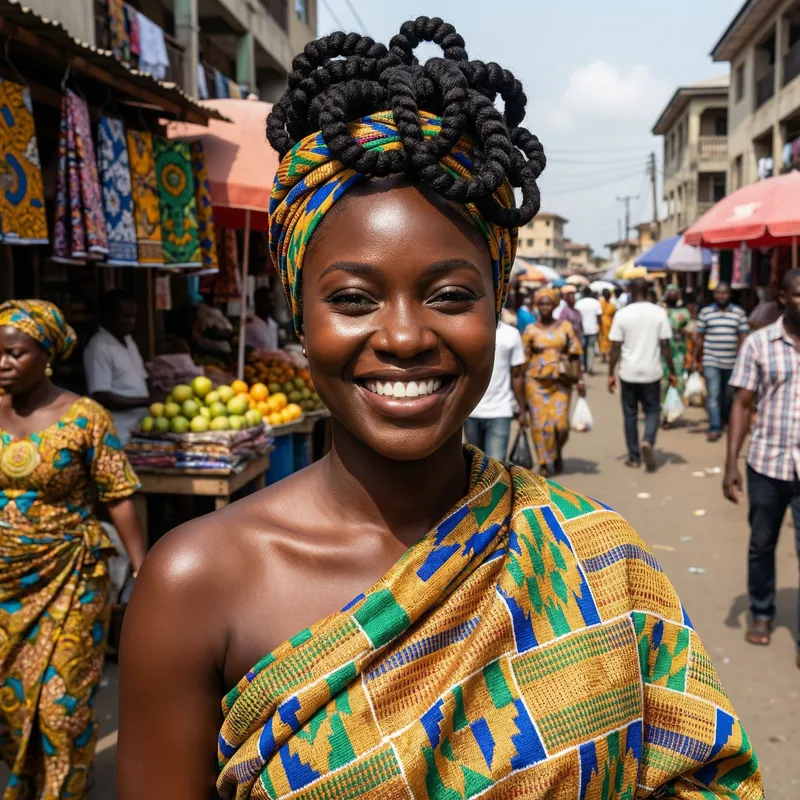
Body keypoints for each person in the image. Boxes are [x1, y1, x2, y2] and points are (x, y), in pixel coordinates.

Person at [118, 20, 761, 798]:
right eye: (352, 298)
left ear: (497, 308)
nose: (402, 336)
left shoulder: (595, 558)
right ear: (298, 314)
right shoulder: (193, 584)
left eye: (451, 295)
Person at [0, 300, 146, 797]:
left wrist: (142, 568)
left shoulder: (85, 418)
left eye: (14, 354)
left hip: (72, 578)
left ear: (47, 356)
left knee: (62, 709)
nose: (2, 363)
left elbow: (120, 494)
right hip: (4, 589)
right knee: (14, 712)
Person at [725, 268, 800, 658]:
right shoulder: (758, 344)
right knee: (762, 543)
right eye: (799, 294)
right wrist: (730, 463)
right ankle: (761, 611)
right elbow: (742, 403)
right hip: (767, 463)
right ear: (782, 297)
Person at [608, 278, 677, 471]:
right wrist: (672, 371)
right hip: (652, 372)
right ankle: (647, 439)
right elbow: (665, 345)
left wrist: (610, 373)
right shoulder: (659, 313)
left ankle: (634, 456)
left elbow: (615, 346)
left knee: (630, 414)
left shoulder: (622, 314)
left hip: (628, 372)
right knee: (652, 410)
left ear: (629, 290)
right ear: (649, 290)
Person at [522, 288, 584, 475]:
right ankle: (543, 461)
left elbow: (575, 355)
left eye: (548, 303)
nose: (545, 307)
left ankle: (556, 452)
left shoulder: (565, 327)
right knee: (541, 425)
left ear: (555, 305)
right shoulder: (530, 330)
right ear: (537, 306)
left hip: (561, 382)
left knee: (561, 425)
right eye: (541, 303)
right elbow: (522, 360)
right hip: (536, 383)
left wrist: (579, 379)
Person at [84, 290, 151, 444]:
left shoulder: (129, 341)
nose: (131, 322)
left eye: (133, 317)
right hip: (118, 433)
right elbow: (101, 395)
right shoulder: (99, 347)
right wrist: (146, 401)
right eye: (125, 317)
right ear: (108, 316)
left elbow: (144, 378)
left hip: (139, 428)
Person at [693, 283, 749, 442]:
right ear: (714, 295)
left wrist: (744, 358)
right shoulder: (706, 313)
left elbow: (743, 336)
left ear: (729, 295)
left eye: (724, 293)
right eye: (718, 293)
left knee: (728, 395)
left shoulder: (738, 313)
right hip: (711, 360)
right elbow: (699, 337)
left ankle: (725, 420)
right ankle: (715, 427)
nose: (721, 296)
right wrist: (696, 359)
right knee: (713, 394)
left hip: (733, 362)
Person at [464, 318, 526, 461]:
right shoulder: (468, 331)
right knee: (474, 465)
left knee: (495, 466)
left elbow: (517, 375)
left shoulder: (511, 334)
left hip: (501, 411)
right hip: (471, 411)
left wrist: (522, 410)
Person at [662, 284, 692, 423]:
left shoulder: (684, 313)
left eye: (675, 292)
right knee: (662, 383)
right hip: (661, 352)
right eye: (670, 292)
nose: (673, 295)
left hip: (678, 352)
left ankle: (672, 412)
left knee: (677, 380)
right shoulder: (660, 311)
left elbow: (691, 329)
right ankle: (663, 412)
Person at [574, 288, 601, 374]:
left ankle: (584, 367)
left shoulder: (579, 303)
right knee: (591, 349)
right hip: (592, 329)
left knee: (582, 349)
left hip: (581, 330)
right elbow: (599, 317)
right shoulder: (596, 303)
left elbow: (576, 317)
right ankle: (589, 367)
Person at [245, 286, 280, 351]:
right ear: (258, 302)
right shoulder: (250, 325)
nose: (272, 305)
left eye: (273, 301)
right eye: (268, 301)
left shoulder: (273, 324)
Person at [597, 288, 615, 362]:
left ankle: (609, 356)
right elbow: (598, 314)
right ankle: (603, 357)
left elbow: (613, 314)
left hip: (610, 324)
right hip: (602, 324)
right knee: (602, 340)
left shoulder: (612, 305)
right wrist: (599, 324)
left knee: (610, 340)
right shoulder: (600, 303)